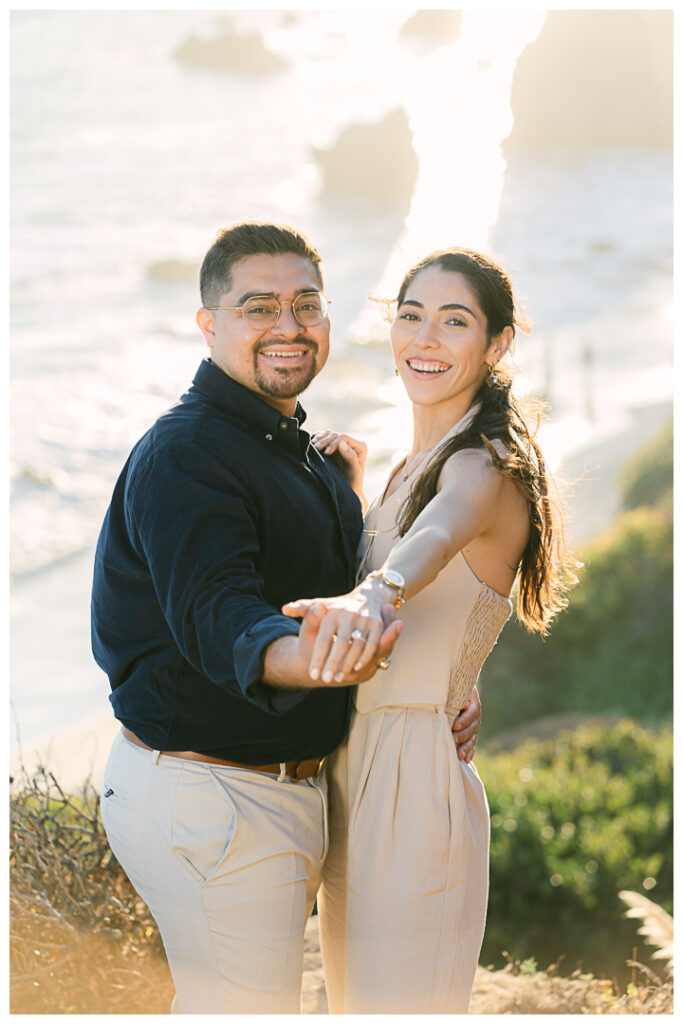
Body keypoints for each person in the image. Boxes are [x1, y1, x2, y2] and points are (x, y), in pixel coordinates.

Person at [91, 222, 481, 1014]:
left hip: (276, 794)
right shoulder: (188, 453)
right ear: (209, 325)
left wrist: (448, 680)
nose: (288, 325)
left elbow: (331, 582)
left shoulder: (290, 447)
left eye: (305, 304)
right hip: (213, 796)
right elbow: (220, 612)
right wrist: (310, 661)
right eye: (257, 307)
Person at [283, 247, 574, 1013]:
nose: (425, 339)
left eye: (454, 322)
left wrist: (375, 592)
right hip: (354, 768)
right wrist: (351, 504)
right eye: (410, 316)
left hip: (416, 780)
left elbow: (440, 536)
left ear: (497, 343)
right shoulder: (406, 467)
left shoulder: (485, 465)